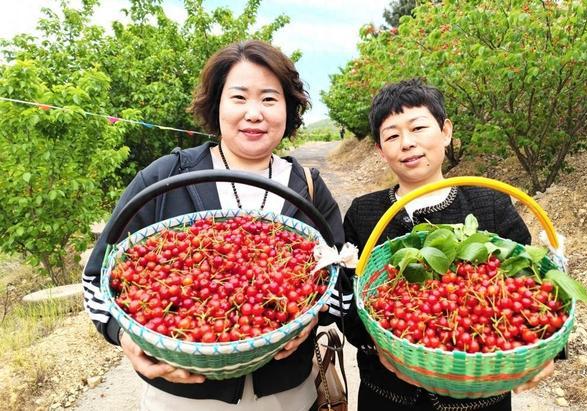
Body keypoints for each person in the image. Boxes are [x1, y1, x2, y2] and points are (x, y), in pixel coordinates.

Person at [82, 40, 346, 411]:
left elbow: (339, 285)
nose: (254, 113)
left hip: (288, 398)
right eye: (239, 97)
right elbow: (98, 280)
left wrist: (313, 314)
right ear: (216, 105)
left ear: (289, 108)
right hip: (181, 400)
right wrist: (122, 334)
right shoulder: (166, 177)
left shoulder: (310, 188)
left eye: (269, 99)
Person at [341, 78, 557, 410]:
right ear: (380, 150)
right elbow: (349, 302)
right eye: (392, 135)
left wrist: (548, 351)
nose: (407, 143)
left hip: (479, 398)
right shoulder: (364, 212)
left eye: (418, 128)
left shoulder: (490, 203)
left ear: (446, 132)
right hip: (386, 396)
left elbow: (538, 286)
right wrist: (377, 345)